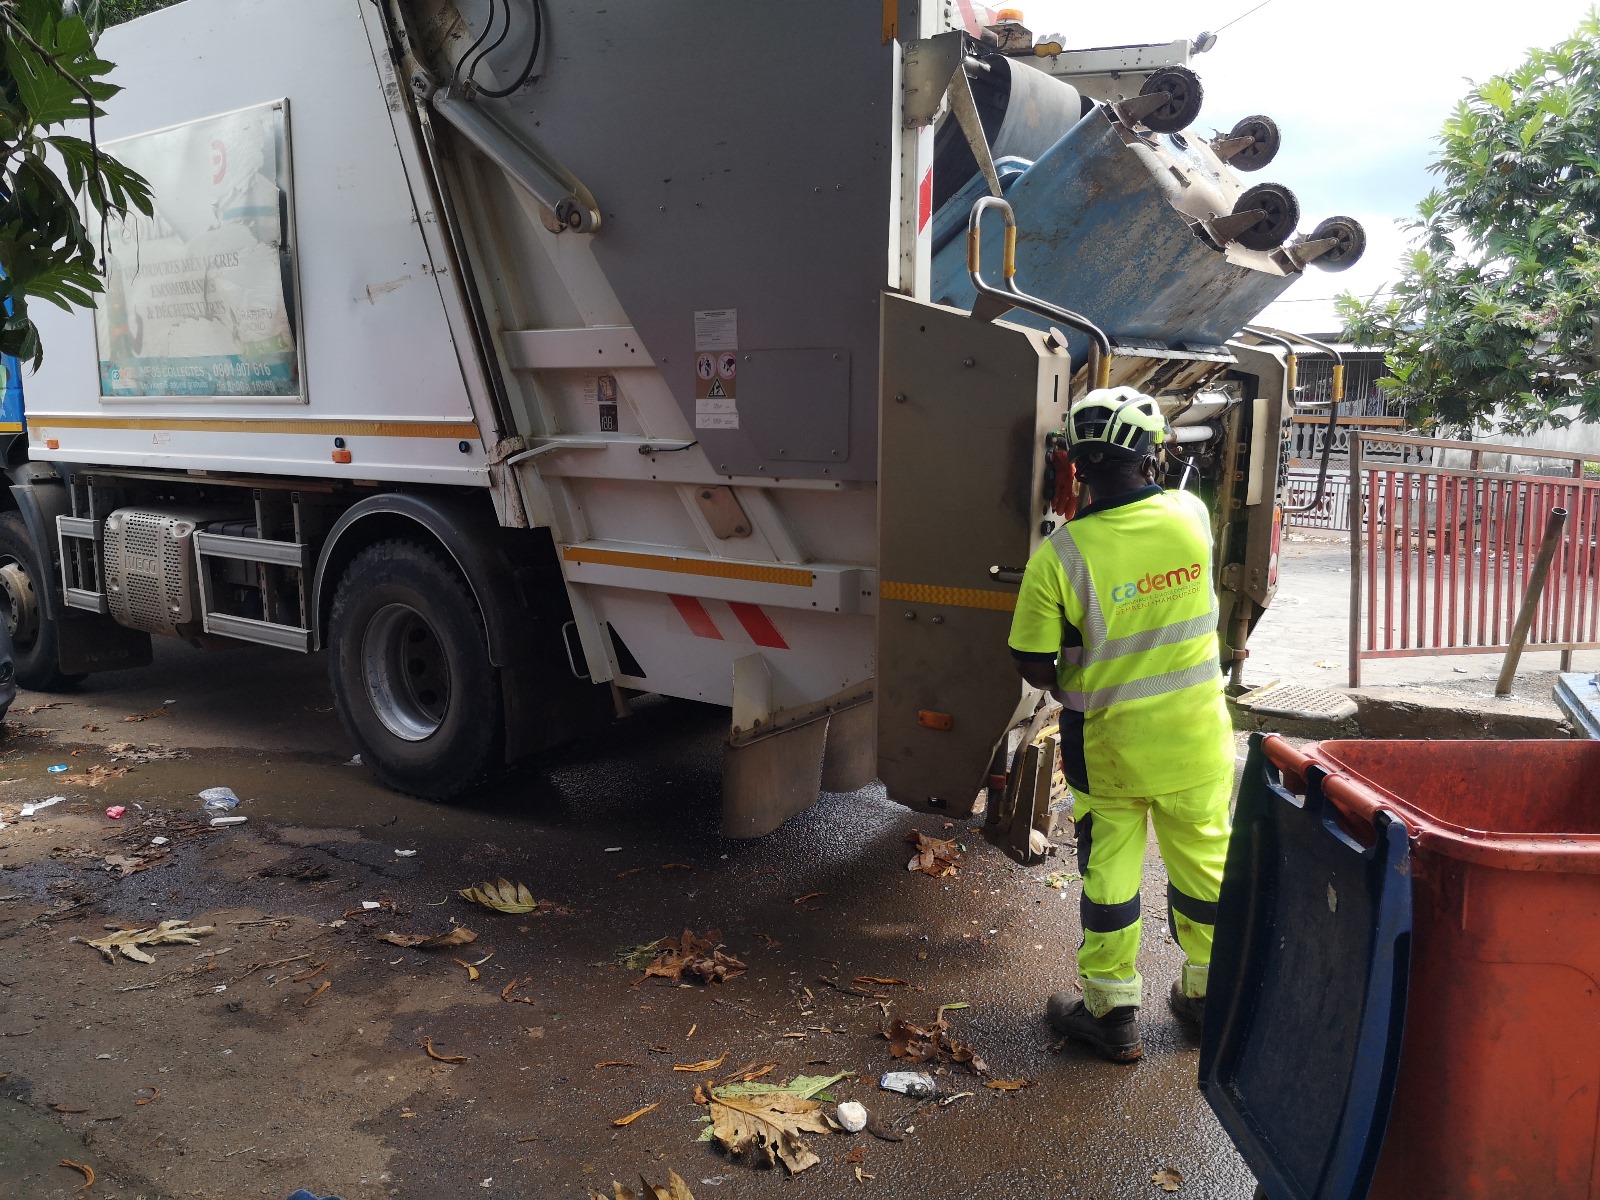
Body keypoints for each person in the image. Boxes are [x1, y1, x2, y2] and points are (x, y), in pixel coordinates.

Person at [1006, 386, 1235, 1063]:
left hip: (1110, 750)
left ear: (1075, 465)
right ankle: (1208, 997)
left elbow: (1030, 661)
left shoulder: (1060, 555)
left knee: (1110, 876)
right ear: (1151, 455)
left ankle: (1110, 1013)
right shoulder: (1191, 515)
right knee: (1205, 868)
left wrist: (1075, 671)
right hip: (1197, 741)